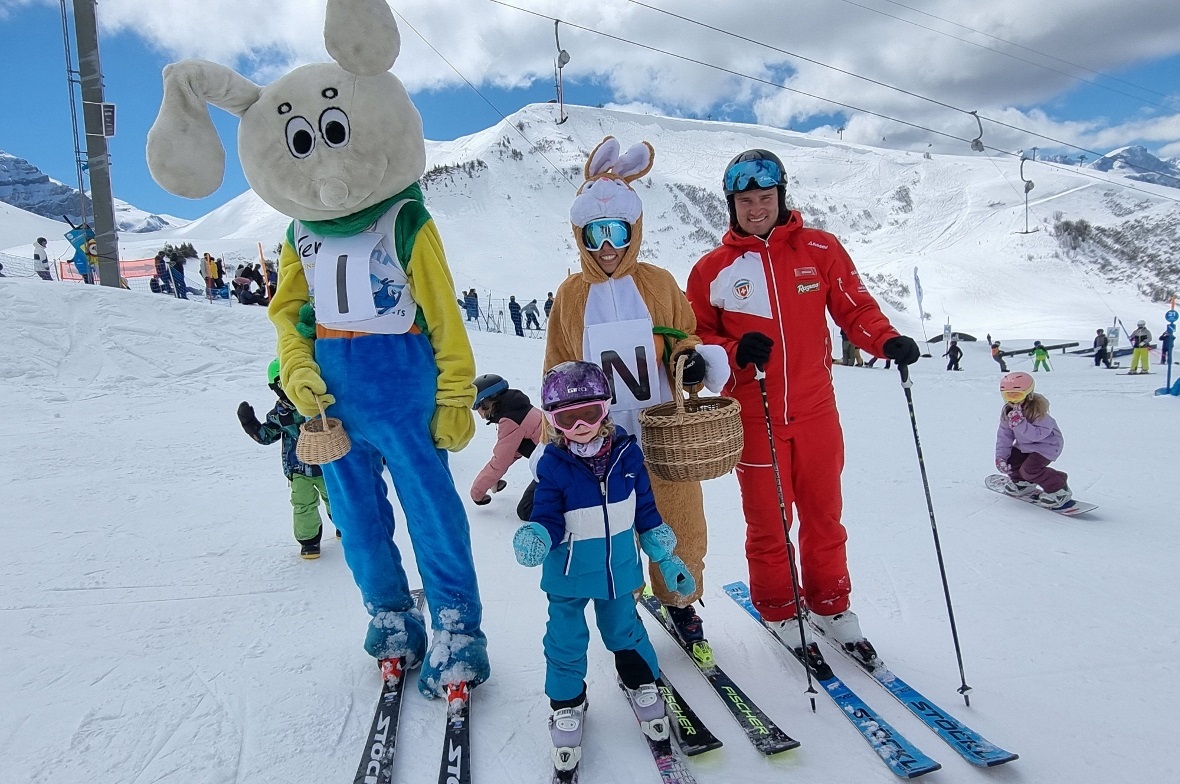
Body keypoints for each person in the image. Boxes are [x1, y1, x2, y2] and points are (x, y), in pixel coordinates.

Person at [686, 148, 921, 667]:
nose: (756, 209)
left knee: (823, 515)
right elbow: (696, 336)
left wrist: (886, 341)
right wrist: (733, 352)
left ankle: (830, 604)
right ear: (731, 204)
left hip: (816, 412)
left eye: (764, 197)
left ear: (781, 196)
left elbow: (855, 308)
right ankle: (778, 609)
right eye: (745, 201)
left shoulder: (819, 248)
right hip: (755, 415)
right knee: (769, 521)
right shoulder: (712, 269)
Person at [546, 136, 729, 644]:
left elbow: (686, 334)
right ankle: (621, 601)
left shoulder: (658, 283)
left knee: (678, 519)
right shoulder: (571, 295)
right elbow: (557, 364)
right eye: (595, 233)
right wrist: (554, 435)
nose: (607, 247)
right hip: (598, 436)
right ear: (581, 234)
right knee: (610, 524)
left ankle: (680, 598)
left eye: (617, 231)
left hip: (661, 428)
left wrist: (689, 364)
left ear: (634, 230)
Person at [512, 361, 694, 775]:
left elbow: (646, 513)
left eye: (589, 414)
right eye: (567, 419)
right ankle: (567, 704)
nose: (579, 426)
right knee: (565, 639)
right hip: (569, 574)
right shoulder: (553, 464)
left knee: (624, 629)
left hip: (619, 570)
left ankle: (640, 682)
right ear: (553, 420)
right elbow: (547, 515)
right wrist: (539, 536)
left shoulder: (628, 456)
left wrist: (667, 559)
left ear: (605, 409)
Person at [237, 359, 337, 557]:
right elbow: (267, 436)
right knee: (303, 504)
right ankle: (309, 541)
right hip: (299, 469)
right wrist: (250, 424)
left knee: (335, 498)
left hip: (327, 463)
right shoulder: (280, 413)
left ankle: (346, 527)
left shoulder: (318, 402)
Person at [470, 373, 541, 521]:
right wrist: (493, 479)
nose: (479, 414)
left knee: (526, 510)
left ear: (487, 403)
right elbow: (513, 451)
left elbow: (500, 461)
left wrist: (477, 492)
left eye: (477, 407)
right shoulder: (517, 409)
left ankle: (571, 503)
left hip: (560, 466)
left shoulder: (510, 420)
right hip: (559, 460)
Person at [995, 372, 1071, 509]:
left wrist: (1020, 424)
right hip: (1025, 445)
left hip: (1047, 446)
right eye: (1007, 395)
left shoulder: (1038, 412)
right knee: (1012, 461)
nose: (1013, 400)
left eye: (1017, 395)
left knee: (1030, 470)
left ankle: (1059, 488)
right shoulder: (1008, 412)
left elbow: (1037, 435)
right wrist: (1001, 457)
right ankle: (1023, 482)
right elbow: (1004, 436)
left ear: (1028, 394)